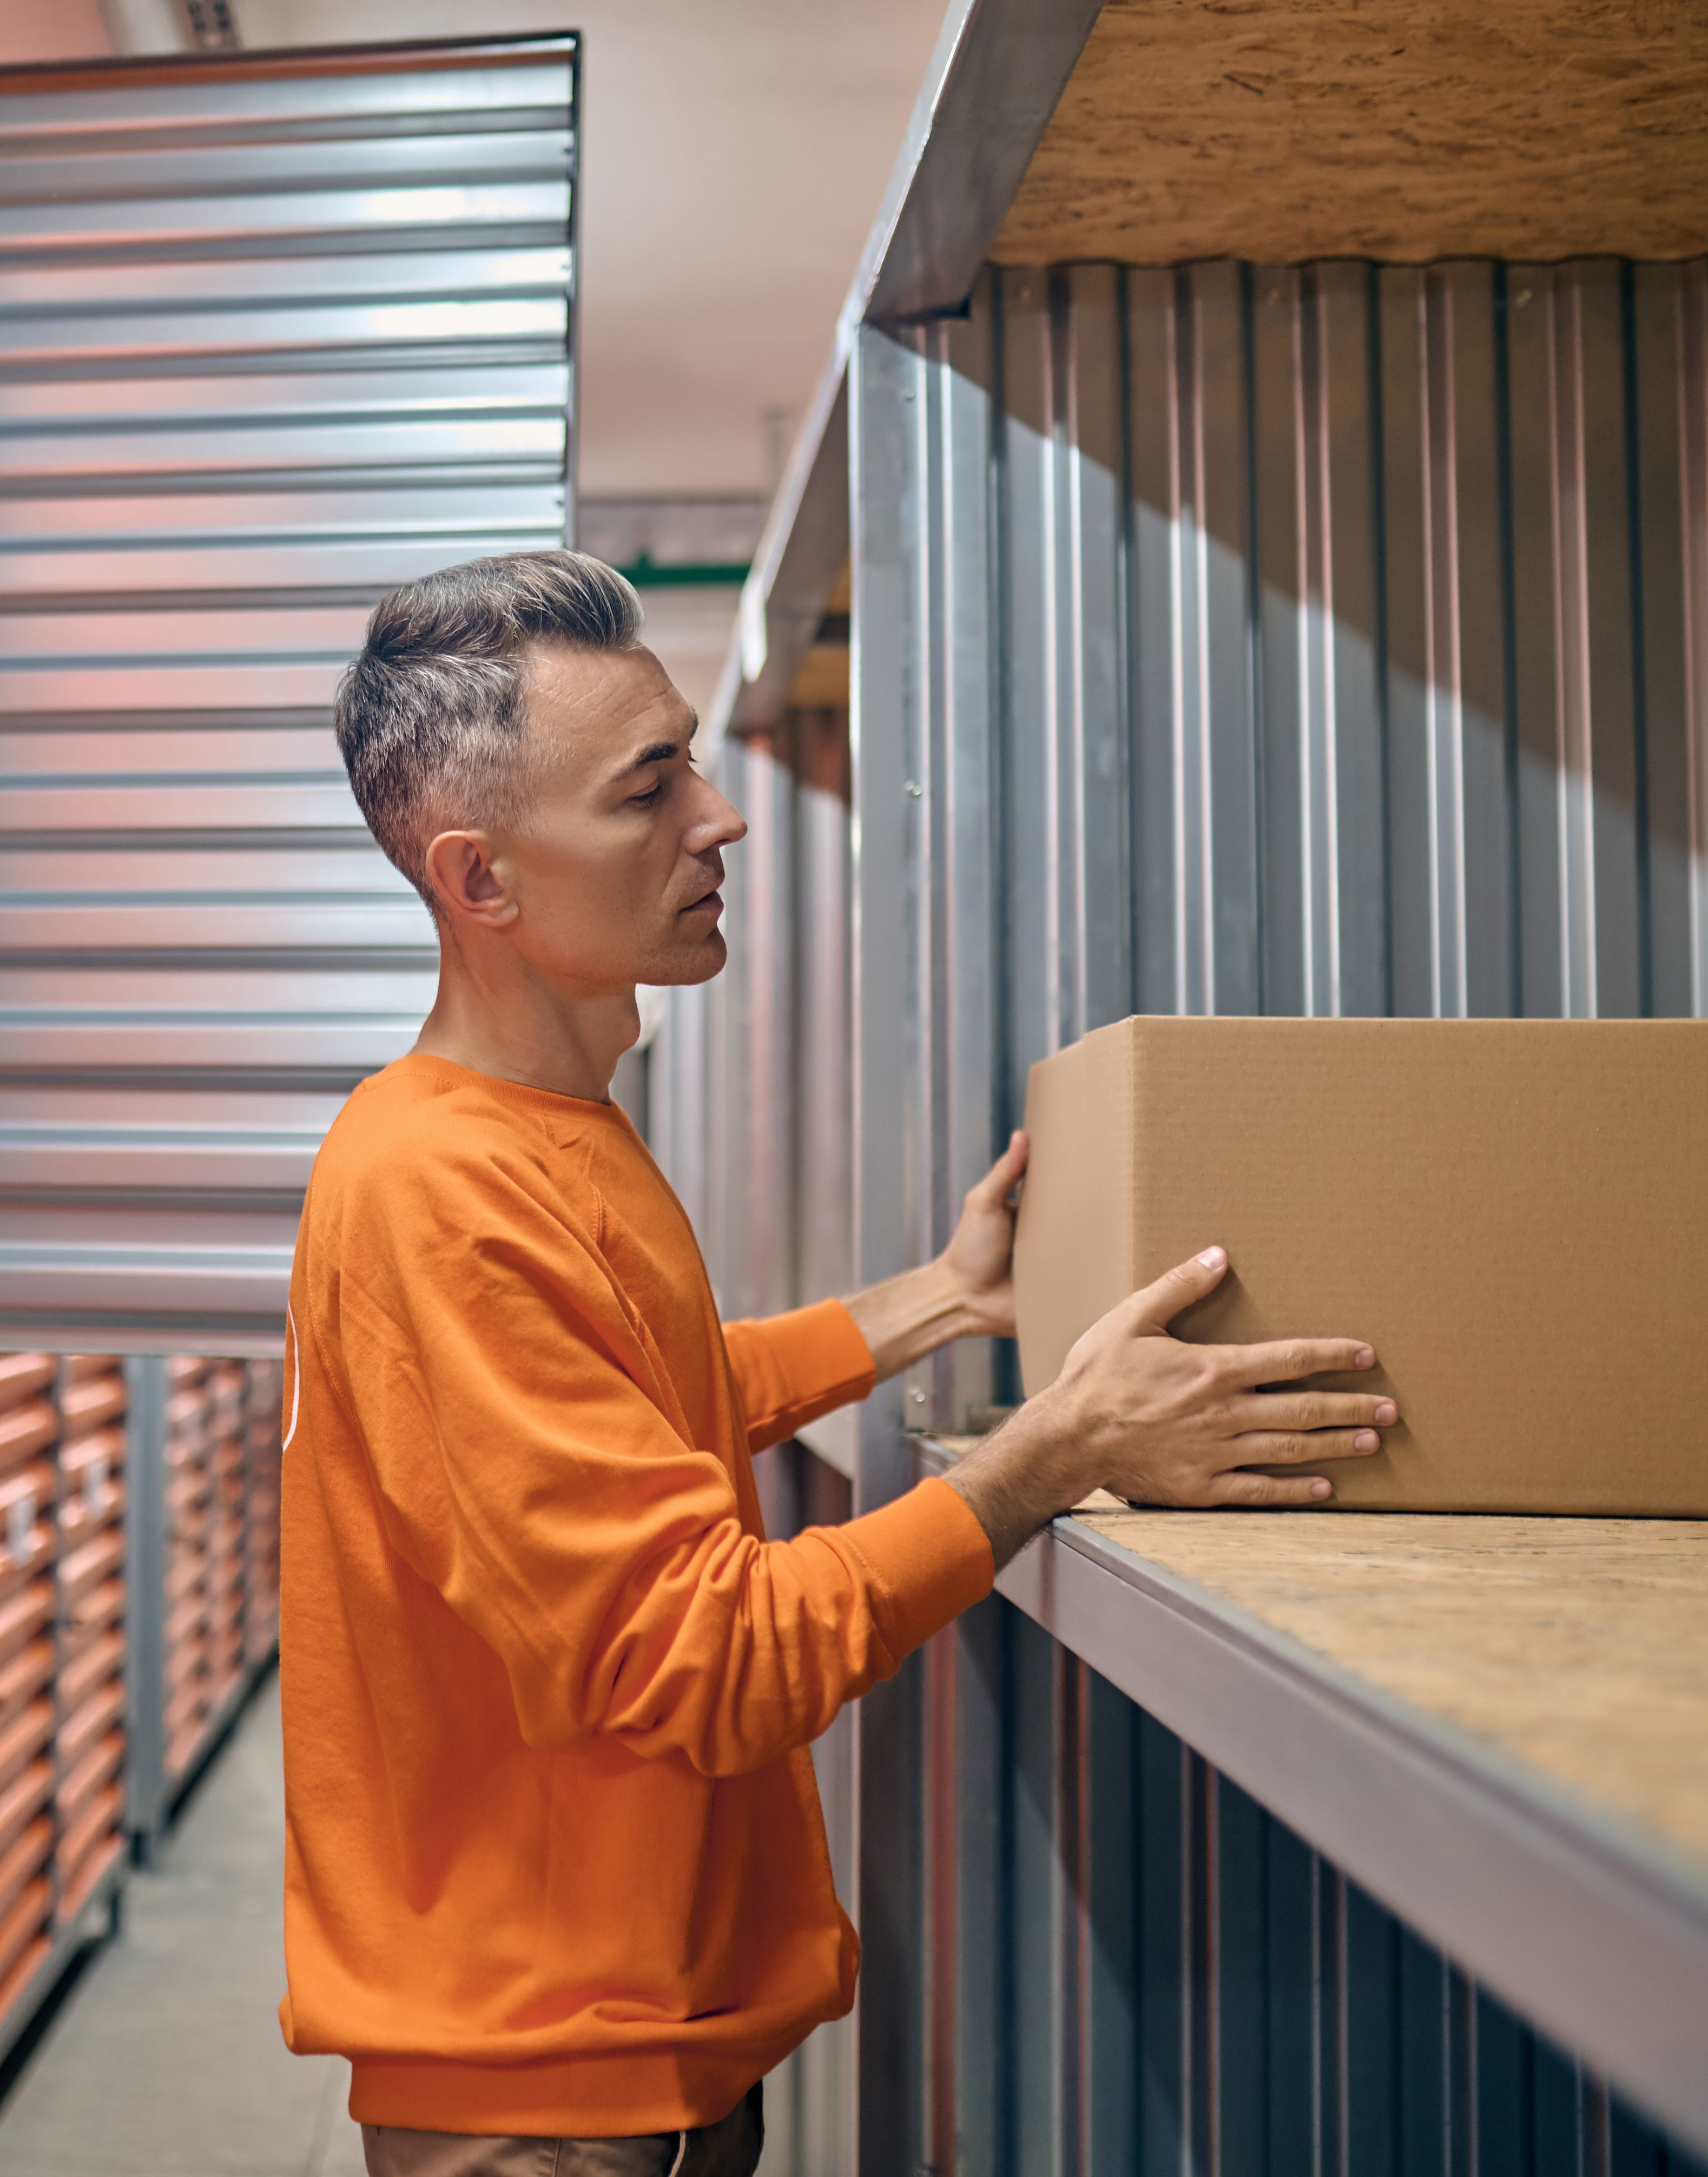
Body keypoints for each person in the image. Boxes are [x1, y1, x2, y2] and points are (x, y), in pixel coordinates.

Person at [279, 551, 1395, 2177]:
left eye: (693, 768)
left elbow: (634, 1410)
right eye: (648, 791)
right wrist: (1056, 1452)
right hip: (543, 2092)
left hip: (636, 2037)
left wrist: (944, 1300)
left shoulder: (537, 1140)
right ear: (486, 881)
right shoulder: (436, 1191)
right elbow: (711, 1661)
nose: (719, 821)